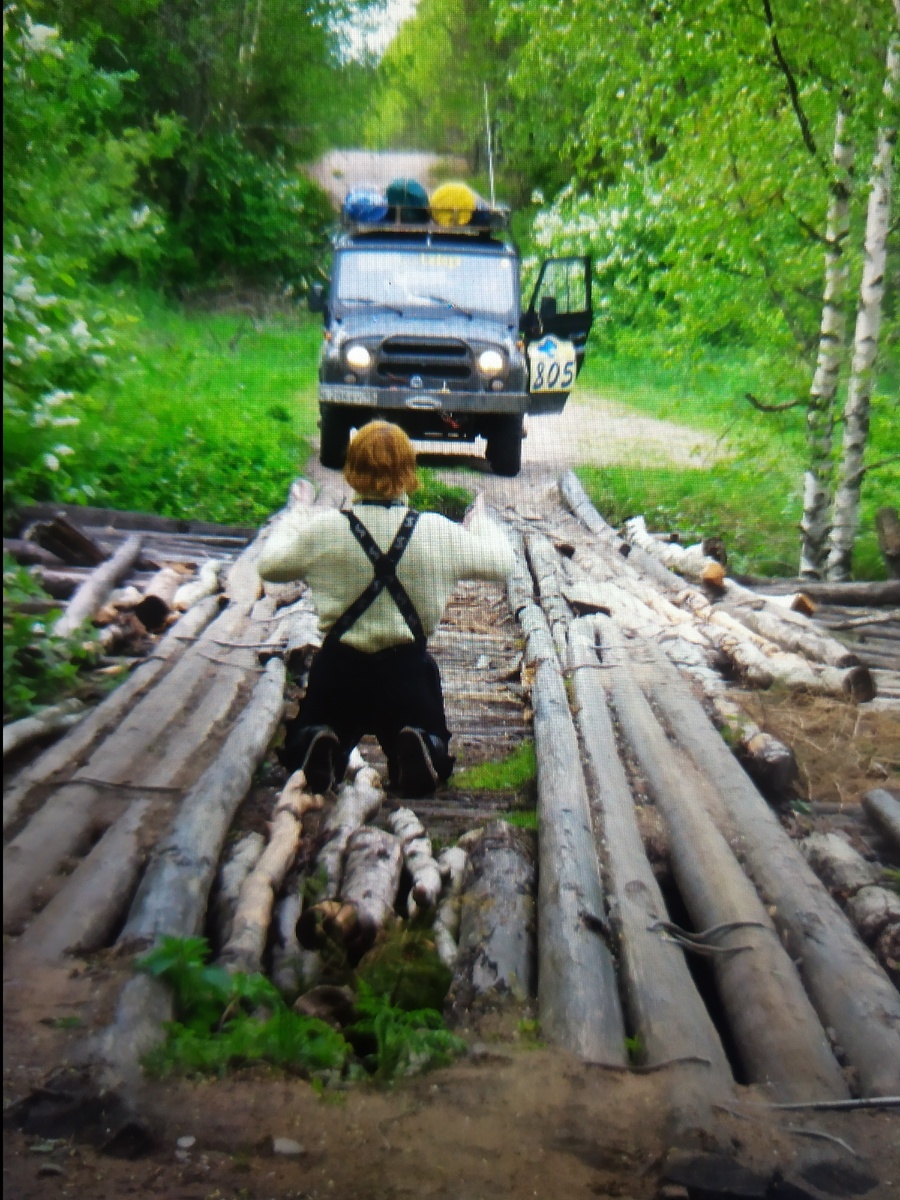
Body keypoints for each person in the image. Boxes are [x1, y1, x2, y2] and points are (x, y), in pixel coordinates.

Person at [257, 420, 515, 796]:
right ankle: (420, 745)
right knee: (422, 729)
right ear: (409, 472)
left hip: (340, 672)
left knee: (315, 725)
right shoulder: (436, 531)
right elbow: (503, 565)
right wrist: (482, 523)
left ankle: (318, 742)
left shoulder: (327, 528)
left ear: (351, 469)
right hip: (405, 673)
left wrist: (296, 517)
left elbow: (270, 567)